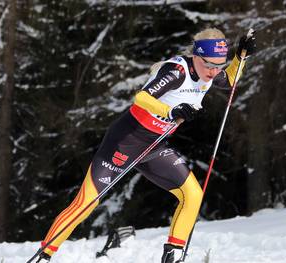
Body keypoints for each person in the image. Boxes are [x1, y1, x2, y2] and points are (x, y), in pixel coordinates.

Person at [36, 27, 256, 263]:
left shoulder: (209, 73)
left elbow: (231, 79)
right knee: (86, 203)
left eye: (219, 66)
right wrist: (171, 111)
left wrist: (241, 57)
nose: (214, 72)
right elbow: (142, 98)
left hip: (154, 147)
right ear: (196, 56)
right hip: (124, 142)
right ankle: (44, 256)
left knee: (192, 194)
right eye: (210, 65)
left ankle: (173, 256)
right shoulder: (177, 71)